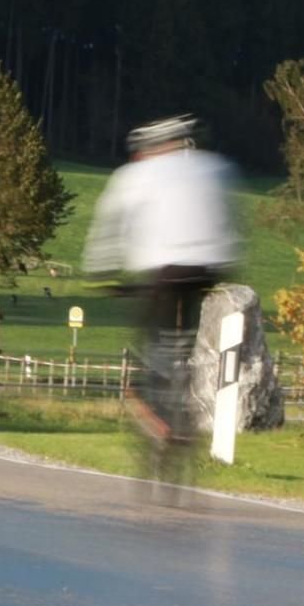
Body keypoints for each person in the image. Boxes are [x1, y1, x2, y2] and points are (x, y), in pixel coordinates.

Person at [84, 115, 240, 435]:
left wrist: (102, 274)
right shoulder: (215, 167)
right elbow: (233, 222)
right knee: (186, 339)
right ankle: (186, 401)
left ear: (147, 149)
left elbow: (108, 228)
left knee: (151, 333)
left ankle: (153, 397)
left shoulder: (136, 173)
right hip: (208, 269)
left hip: (164, 271)